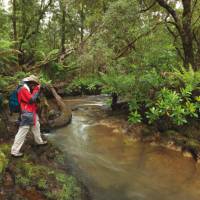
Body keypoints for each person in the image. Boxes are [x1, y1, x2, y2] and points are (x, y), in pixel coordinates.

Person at [11, 75, 47, 157]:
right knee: (23, 131)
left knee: (36, 125)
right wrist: (36, 90)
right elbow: (31, 100)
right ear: (31, 83)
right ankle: (14, 151)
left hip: (31, 112)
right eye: (34, 85)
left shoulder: (27, 88)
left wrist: (37, 90)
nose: (34, 86)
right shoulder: (23, 89)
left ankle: (39, 141)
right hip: (26, 113)